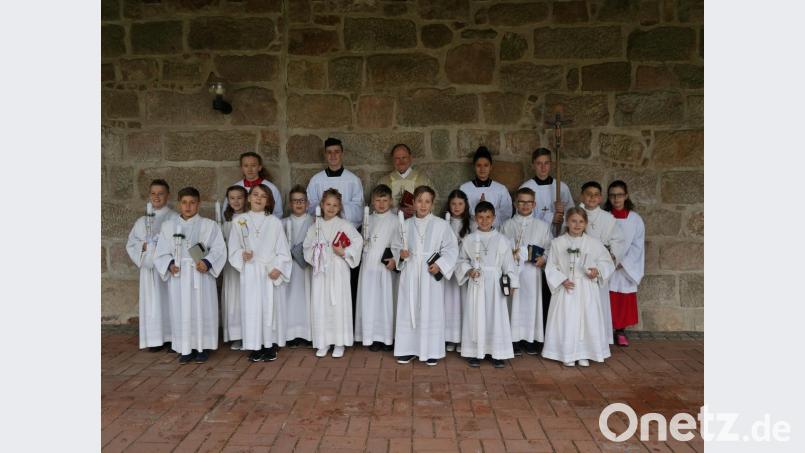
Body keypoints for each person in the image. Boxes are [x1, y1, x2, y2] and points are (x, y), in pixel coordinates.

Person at [155, 187, 226, 364]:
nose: (188, 207)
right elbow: (161, 251)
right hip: (179, 275)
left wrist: (208, 262)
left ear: (198, 204)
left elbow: (219, 249)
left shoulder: (209, 225)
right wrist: (170, 264)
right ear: (179, 204)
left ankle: (203, 347)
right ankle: (185, 347)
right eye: (184, 203)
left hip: (201, 274)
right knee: (181, 310)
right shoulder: (168, 226)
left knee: (202, 308)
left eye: (192, 203)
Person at [392, 186, 459, 366]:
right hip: (410, 273)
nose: (423, 205)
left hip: (430, 273)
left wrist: (440, 265)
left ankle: (431, 350)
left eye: (427, 201)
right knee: (409, 308)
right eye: (419, 201)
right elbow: (396, 246)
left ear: (432, 204)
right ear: (413, 203)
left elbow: (451, 249)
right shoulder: (405, 225)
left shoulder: (441, 225)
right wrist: (401, 255)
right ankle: (407, 349)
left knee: (431, 309)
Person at [542, 208, 614, 367]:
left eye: (581, 221)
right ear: (567, 222)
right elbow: (551, 266)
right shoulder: (557, 243)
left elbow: (607, 262)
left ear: (586, 223)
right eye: (573, 221)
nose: (577, 225)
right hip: (566, 287)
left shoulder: (594, 243)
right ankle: (567, 353)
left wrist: (597, 271)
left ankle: (584, 353)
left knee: (586, 319)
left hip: (586, 288)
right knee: (567, 319)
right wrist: (561, 280)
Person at [228, 184, 292, 362]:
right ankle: (255, 345)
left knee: (270, 309)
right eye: (255, 194)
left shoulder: (274, 222)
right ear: (249, 198)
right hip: (250, 272)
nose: (258, 198)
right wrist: (242, 255)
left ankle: (270, 345)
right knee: (252, 309)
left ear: (268, 201)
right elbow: (233, 248)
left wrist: (278, 268)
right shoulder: (239, 221)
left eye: (263, 196)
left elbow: (283, 250)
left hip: (269, 272)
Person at [455, 201, 519, 368]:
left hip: (496, 284)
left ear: (494, 218)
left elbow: (509, 263)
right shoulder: (469, 239)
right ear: (475, 218)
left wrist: (512, 283)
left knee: (496, 317)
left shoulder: (502, 240)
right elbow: (461, 260)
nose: (484, 221)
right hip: (477, 283)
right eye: (481, 217)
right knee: (475, 315)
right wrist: (469, 270)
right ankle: (475, 352)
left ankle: (497, 353)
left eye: (488, 217)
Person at [303, 188, 364, 358]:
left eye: (335, 205)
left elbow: (358, 241)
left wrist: (344, 252)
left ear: (339, 207)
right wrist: (316, 252)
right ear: (322, 205)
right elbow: (306, 247)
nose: (331, 208)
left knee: (338, 305)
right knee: (321, 304)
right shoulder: (315, 227)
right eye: (328, 204)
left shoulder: (345, 225)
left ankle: (339, 342)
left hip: (338, 270)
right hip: (321, 271)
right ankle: (323, 342)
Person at [306, 137, 365, 308]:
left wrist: (339, 209)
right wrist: (327, 211)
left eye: (336, 152)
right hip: (323, 236)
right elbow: (311, 206)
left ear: (342, 153)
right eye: (329, 152)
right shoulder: (316, 180)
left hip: (343, 240)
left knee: (344, 291)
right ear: (325, 154)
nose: (333, 156)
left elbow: (359, 208)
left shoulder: (353, 179)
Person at [126, 179, 179, 351]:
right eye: (153, 193)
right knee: (152, 304)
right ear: (149, 195)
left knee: (169, 301)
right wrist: (143, 245)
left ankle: (172, 337)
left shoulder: (174, 218)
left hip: (166, 268)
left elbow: (178, 241)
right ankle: (156, 339)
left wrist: (160, 246)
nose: (156, 197)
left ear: (168, 195)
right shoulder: (141, 221)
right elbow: (131, 243)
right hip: (148, 270)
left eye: (160, 193)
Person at [500, 187, 553, 356]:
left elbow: (550, 247)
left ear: (534, 204)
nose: (525, 205)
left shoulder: (542, 226)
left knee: (531, 304)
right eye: (521, 202)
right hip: (512, 271)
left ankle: (530, 340)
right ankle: (513, 339)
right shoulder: (507, 225)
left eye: (529, 202)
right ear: (515, 204)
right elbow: (500, 246)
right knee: (512, 304)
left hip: (532, 273)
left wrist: (544, 258)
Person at [579, 181, 627, 345]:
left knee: (597, 304)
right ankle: (580, 341)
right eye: (588, 194)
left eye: (596, 195)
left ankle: (598, 341)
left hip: (598, 267)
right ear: (582, 196)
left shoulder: (608, 218)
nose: (592, 198)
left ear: (600, 198)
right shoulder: (574, 214)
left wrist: (610, 257)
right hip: (578, 267)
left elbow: (618, 241)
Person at [355, 184, 400, 351]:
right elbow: (361, 242)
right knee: (370, 301)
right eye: (378, 200)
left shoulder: (396, 221)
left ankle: (387, 337)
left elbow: (401, 243)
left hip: (385, 269)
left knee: (386, 302)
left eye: (385, 200)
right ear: (372, 202)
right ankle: (371, 336)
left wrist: (395, 259)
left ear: (391, 201)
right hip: (368, 267)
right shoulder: (368, 220)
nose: (381, 204)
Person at [603, 180, 645, 347]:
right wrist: (609, 259)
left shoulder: (635, 220)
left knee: (622, 300)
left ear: (626, 196)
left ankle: (620, 331)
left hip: (625, 267)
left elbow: (637, 245)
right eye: (612, 195)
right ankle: (605, 331)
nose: (616, 199)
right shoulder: (604, 217)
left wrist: (622, 262)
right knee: (606, 298)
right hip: (607, 264)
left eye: (619, 195)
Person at [281, 185, 315, 348]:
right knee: (290, 299)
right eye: (295, 201)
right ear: (290, 204)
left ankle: (309, 334)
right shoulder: (282, 223)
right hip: (290, 269)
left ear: (307, 203)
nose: (299, 204)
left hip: (307, 268)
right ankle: (291, 334)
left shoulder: (314, 222)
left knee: (308, 298)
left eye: (302, 201)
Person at [518, 148, 574, 232]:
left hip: (558, 234)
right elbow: (521, 216)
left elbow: (572, 213)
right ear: (533, 165)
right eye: (539, 163)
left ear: (551, 164)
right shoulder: (525, 188)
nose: (543, 167)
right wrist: (550, 217)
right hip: (534, 233)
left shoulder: (561, 187)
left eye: (546, 163)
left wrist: (561, 215)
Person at [443, 189, 472, 353]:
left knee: (463, 303)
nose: (456, 207)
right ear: (449, 205)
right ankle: (449, 337)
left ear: (465, 205)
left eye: (460, 203)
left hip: (464, 269)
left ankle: (462, 338)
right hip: (448, 269)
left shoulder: (472, 224)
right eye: (453, 204)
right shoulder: (443, 223)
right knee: (448, 303)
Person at [220, 185, 248, 350]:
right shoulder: (227, 222)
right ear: (228, 201)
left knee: (246, 298)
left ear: (246, 199)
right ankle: (236, 335)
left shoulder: (249, 219)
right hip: (231, 268)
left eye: (239, 198)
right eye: (232, 198)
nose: (236, 201)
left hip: (246, 265)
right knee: (233, 299)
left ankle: (248, 333)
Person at [459, 146, 513, 229]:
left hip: (495, 231)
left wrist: (488, 212)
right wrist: (477, 208)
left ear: (491, 167)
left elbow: (506, 214)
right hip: (472, 231)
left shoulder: (501, 189)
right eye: (479, 165)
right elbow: (461, 213)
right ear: (474, 167)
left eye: (486, 165)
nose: (482, 169)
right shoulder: (464, 189)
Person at [377, 143, 433, 219]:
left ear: (410, 158)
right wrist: (397, 211)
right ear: (392, 160)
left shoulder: (423, 180)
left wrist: (418, 209)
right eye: (397, 158)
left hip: (417, 222)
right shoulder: (383, 181)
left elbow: (433, 204)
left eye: (404, 157)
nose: (401, 161)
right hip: (392, 223)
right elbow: (375, 207)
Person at [231, 151, 283, 217]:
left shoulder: (271, 187)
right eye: (246, 166)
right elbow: (227, 211)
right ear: (242, 168)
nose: (249, 169)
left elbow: (278, 213)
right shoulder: (235, 188)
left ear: (259, 167)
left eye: (253, 165)